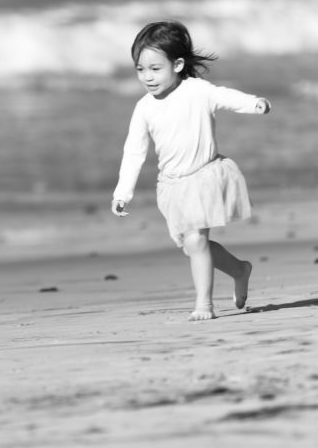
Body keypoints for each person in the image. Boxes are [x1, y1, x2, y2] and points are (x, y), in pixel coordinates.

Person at [111, 20, 271, 321]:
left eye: (155, 68)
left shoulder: (197, 91)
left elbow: (225, 96)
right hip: (172, 186)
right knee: (192, 246)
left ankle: (204, 305)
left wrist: (255, 104)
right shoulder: (144, 107)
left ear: (178, 64)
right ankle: (240, 270)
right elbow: (134, 151)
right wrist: (123, 192)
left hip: (204, 176)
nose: (147, 76)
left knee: (196, 241)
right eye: (140, 69)